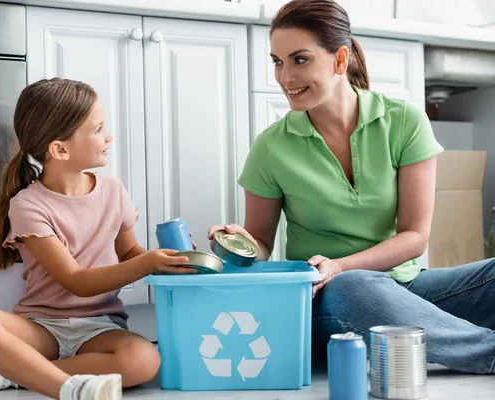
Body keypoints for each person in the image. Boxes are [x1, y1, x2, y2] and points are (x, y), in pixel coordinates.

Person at [209, 0, 495, 375]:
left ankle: (441, 336)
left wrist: (340, 264)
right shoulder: (271, 146)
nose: (284, 77)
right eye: (277, 62)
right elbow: (261, 245)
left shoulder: (403, 120)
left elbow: (414, 237)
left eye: (299, 60)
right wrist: (238, 243)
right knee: (354, 286)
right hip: (330, 300)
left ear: (340, 60)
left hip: (406, 288)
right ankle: (483, 350)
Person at [0, 78, 196, 400]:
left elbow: (129, 252)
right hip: (42, 327)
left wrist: (166, 259)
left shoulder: (113, 190)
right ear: (60, 149)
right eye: (98, 130)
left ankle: (10, 372)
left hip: (101, 327)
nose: (108, 136)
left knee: (144, 361)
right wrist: (148, 262)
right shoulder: (29, 205)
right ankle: (65, 388)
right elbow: (76, 281)